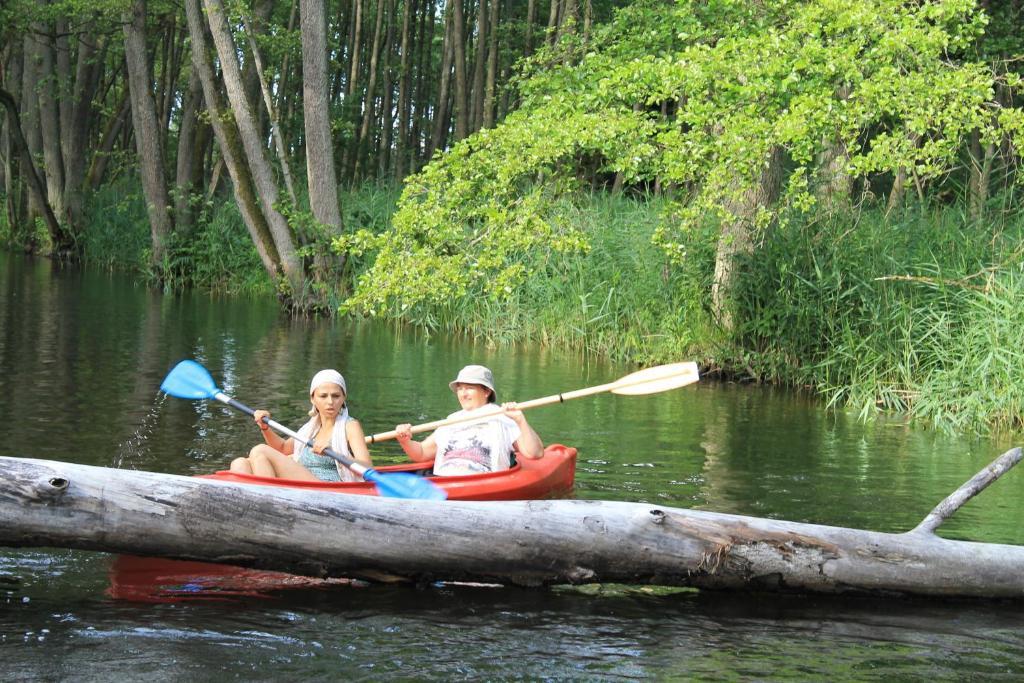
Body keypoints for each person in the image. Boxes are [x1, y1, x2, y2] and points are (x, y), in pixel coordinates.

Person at [394, 365, 543, 476]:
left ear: (486, 391)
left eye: (469, 388)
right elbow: (420, 453)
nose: (463, 394)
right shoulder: (452, 420)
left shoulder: (503, 417)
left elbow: (534, 453)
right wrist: (405, 441)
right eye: (460, 389)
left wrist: (521, 421)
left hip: (482, 483)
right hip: (442, 481)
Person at [229, 369, 373, 482]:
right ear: (313, 398)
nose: (330, 401)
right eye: (323, 396)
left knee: (259, 451)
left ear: (343, 398)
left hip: (327, 486)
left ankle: (267, 501)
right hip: (303, 482)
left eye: (336, 396)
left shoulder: (350, 426)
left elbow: (368, 467)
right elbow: (283, 448)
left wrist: (338, 454)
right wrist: (265, 428)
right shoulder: (311, 427)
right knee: (240, 464)